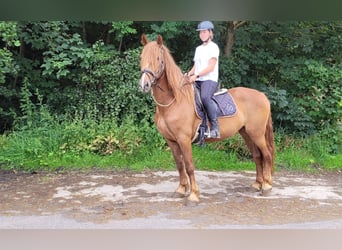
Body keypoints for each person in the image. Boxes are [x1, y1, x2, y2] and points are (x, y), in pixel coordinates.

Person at [187, 21, 220, 138]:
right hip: (198, 79)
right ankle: (198, 126)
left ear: (210, 33)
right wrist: (188, 74)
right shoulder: (198, 49)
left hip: (209, 80)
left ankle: (215, 128)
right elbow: (196, 66)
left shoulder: (213, 47)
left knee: (205, 98)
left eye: (204, 32)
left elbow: (211, 67)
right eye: (200, 32)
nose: (202, 34)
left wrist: (196, 75)